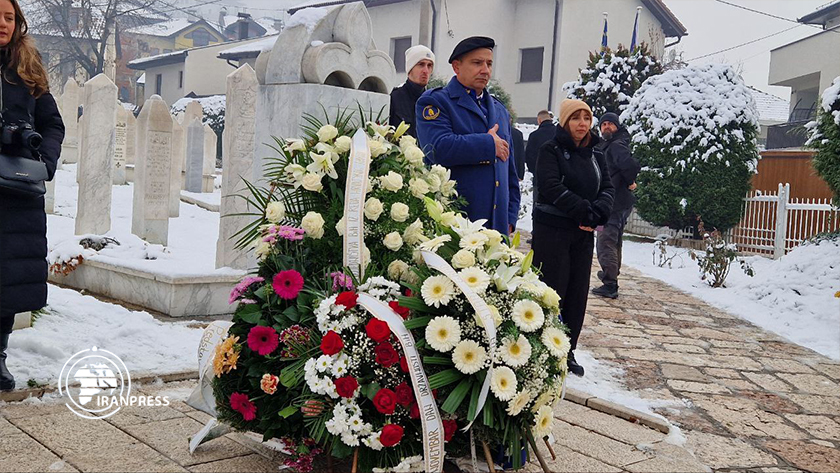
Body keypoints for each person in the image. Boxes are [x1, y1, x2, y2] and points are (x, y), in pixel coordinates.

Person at [0, 0, 65, 392]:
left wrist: (43, 160)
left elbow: (52, 124)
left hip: (16, 195)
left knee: (5, 282)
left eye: (9, 17)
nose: (3, 23)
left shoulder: (27, 69)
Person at [532, 99, 613, 377]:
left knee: (577, 293)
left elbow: (608, 187)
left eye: (586, 118)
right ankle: (544, 346)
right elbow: (551, 186)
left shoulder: (596, 153)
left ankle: (567, 348)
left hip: (582, 234)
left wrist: (598, 212)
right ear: (565, 121)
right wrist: (582, 210)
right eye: (576, 118)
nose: (582, 124)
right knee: (553, 290)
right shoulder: (550, 150)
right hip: (553, 231)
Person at [416, 36, 519, 235]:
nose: (485, 70)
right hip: (456, 221)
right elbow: (438, 148)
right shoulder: (436, 102)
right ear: (456, 67)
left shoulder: (499, 110)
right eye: (477, 63)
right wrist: (488, 144)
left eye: (489, 63)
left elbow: (510, 171)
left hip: (497, 226)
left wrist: (510, 216)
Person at [592, 112, 640, 299]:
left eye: (610, 124)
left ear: (617, 127)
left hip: (612, 203)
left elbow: (631, 165)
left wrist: (629, 181)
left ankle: (610, 282)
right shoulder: (611, 144)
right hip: (617, 202)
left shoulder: (616, 145)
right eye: (603, 124)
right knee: (614, 241)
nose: (606, 127)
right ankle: (610, 274)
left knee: (605, 241)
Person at [389, 45, 434, 139]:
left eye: (429, 66)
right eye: (421, 64)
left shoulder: (433, 101)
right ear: (410, 69)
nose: (426, 71)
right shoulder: (393, 98)